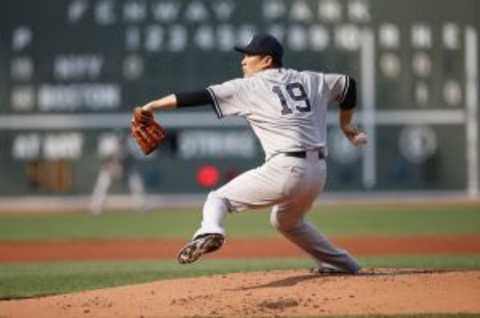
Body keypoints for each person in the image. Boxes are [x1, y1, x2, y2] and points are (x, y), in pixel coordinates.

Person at [137, 34, 364, 273]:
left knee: (217, 199)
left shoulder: (248, 86)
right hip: (317, 173)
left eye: (248, 55)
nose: (243, 61)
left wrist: (152, 106)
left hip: (285, 169)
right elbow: (348, 85)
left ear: (266, 60)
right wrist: (346, 125)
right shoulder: (310, 79)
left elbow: (197, 96)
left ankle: (210, 230)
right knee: (286, 221)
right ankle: (342, 263)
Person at [89, 131, 147, 215]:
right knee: (102, 185)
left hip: (126, 169)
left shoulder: (128, 148)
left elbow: (130, 163)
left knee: (136, 183)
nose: (121, 142)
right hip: (110, 169)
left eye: (122, 141)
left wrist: (122, 168)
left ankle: (140, 205)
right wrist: (112, 168)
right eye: (119, 141)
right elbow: (104, 161)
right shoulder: (109, 148)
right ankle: (96, 207)